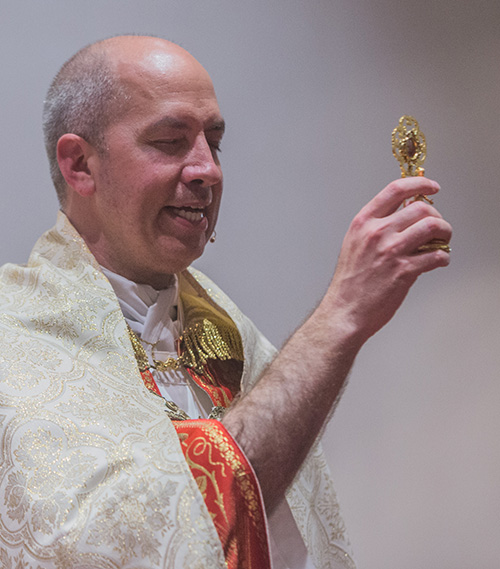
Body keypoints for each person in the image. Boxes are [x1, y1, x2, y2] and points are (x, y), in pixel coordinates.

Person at [0, 36, 452, 569]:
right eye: (170, 141)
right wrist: (340, 316)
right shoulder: (18, 350)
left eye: (213, 143)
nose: (207, 170)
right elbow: (137, 538)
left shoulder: (219, 325)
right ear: (80, 165)